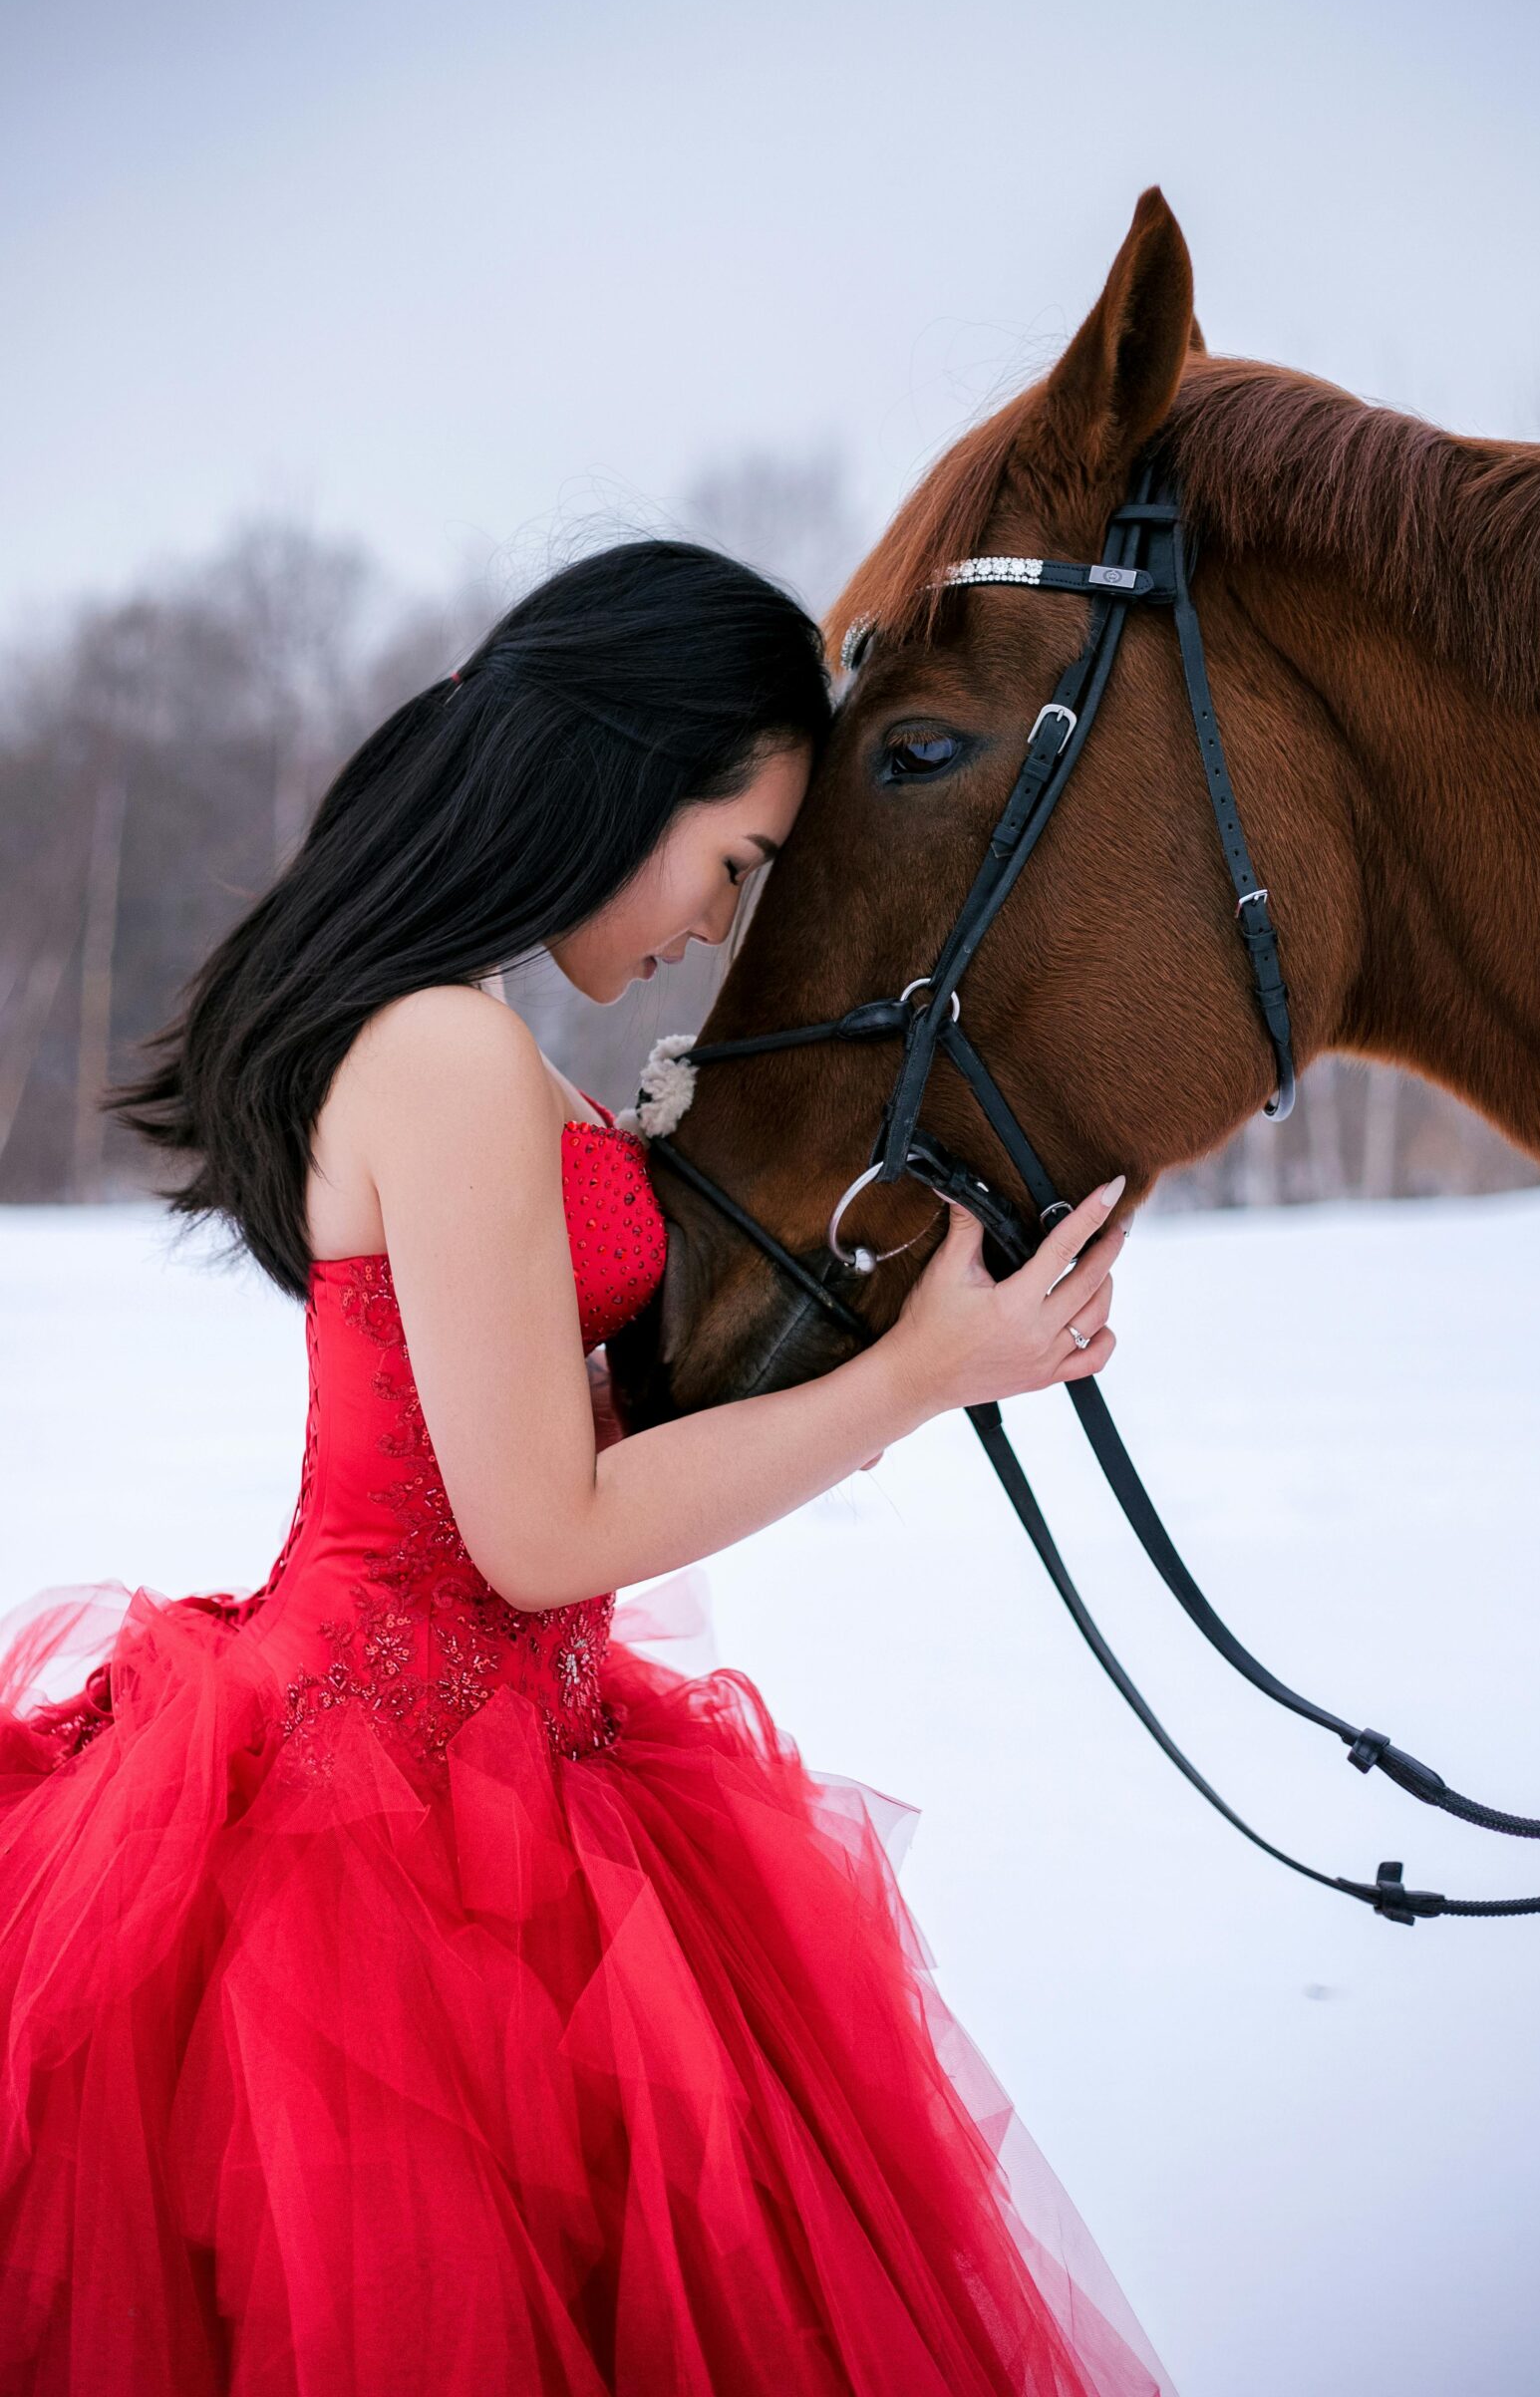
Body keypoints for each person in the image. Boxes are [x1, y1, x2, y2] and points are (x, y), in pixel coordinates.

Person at [0, 542, 1167, 2395]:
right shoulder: (446, 1051)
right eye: (736, 867)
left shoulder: (468, 1043)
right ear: (626, 775)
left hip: (504, 1769)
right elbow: (542, 1531)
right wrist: (928, 1378)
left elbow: (575, 1447)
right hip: (382, 1828)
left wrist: (915, 1323)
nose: (724, 926)